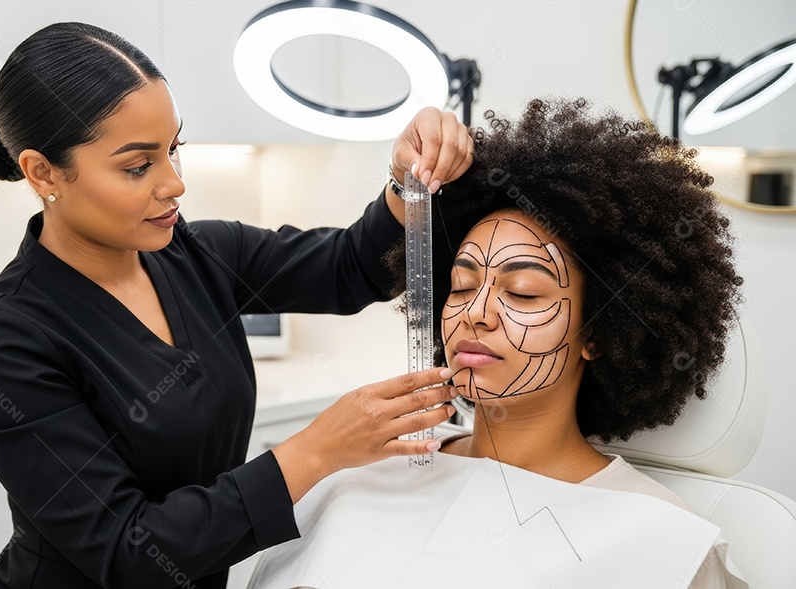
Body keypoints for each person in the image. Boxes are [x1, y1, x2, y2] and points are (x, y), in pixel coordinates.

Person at [0, 22, 473, 588]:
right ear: (43, 172)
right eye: (137, 166)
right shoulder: (4, 338)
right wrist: (318, 451)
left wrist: (404, 180)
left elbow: (349, 268)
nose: (174, 183)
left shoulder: (198, 255)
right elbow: (129, 552)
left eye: (173, 150)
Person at [247, 98, 747, 588]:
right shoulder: (356, 475)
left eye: (523, 292)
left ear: (597, 334)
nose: (475, 313)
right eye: (461, 286)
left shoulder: (663, 545)